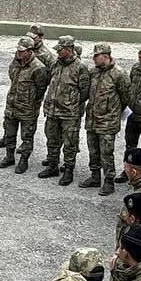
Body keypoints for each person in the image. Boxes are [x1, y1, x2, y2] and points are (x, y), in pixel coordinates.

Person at [37, 36, 90, 185]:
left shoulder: (80, 68)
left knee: (70, 143)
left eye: (60, 50)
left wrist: (72, 104)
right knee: (52, 140)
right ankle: (53, 165)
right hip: (53, 111)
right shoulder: (56, 64)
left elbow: (85, 91)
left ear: (69, 50)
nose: (58, 52)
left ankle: (68, 170)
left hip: (69, 114)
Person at [80, 41, 130, 196]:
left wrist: (112, 112)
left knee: (106, 153)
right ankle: (95, 176)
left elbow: (126, 97)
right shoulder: (93, 72)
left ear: (106, 56)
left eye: (97, 56)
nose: (94, 59)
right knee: (93, 150)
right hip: (92, 120)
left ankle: (109, 181)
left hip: (108, 122)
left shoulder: (119, 74)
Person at [0, 37, 50, 175]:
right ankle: (9, 156)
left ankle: (24, 160)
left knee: (27, 137)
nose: (18, 53)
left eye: (22, 51)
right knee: (9, 133)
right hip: (12, 105)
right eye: (18, 50)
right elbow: (11, 76)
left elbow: (40, 89)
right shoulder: (16, 63)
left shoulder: (39, 68)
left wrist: (30, 101)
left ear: (30, 51)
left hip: (27, 109)